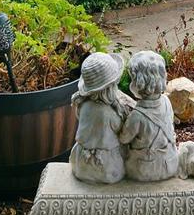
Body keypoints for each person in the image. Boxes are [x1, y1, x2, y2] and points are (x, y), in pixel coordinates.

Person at [119, 50, 178, 181]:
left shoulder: (137, 116)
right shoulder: (167, 102)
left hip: (145, 169)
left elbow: (123, 139)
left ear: (137, 82)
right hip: (170, 163)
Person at [70, 52, 128, 184]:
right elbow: (121, 130)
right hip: (106, 167)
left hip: (81, 163)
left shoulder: (82, 105)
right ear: (109, 88)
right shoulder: (108, 112)